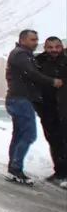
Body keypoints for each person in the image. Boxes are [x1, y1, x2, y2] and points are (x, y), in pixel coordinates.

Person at [4, 29, 63, 183]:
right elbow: (32, 73)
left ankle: (13, 168)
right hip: (20, 100)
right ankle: (15, 169)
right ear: (22, 40)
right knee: (28, 135)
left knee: (19, 135)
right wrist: (52, 81)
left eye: (36, 39)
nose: (35, 42)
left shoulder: (25, 55)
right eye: (32, 39)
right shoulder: (21, 55)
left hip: (18, 99)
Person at [33, 36, 67, 185]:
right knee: (54, 141)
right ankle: (60, 172)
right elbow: (33, 82)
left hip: (64, 107)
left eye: (57, 47)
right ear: (45, 48)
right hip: (48, 109)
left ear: (61, 47)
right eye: (50, 47)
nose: (54, 50)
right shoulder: (39, 62)